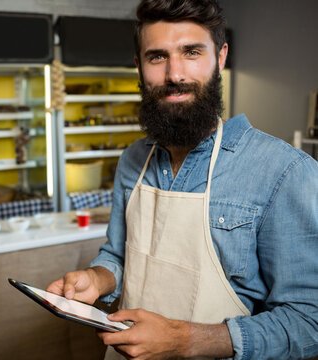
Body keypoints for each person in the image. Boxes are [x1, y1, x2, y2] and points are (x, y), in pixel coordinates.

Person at [47, 0, 318, 359]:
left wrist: (184, 339)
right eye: (157, 57)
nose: (175, 74)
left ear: (220, 58)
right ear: (139, 67)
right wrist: (98, 279)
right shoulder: (132, 161)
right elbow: (119, 254)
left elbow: (308, 321)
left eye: (191, 52)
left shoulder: (284, 171)